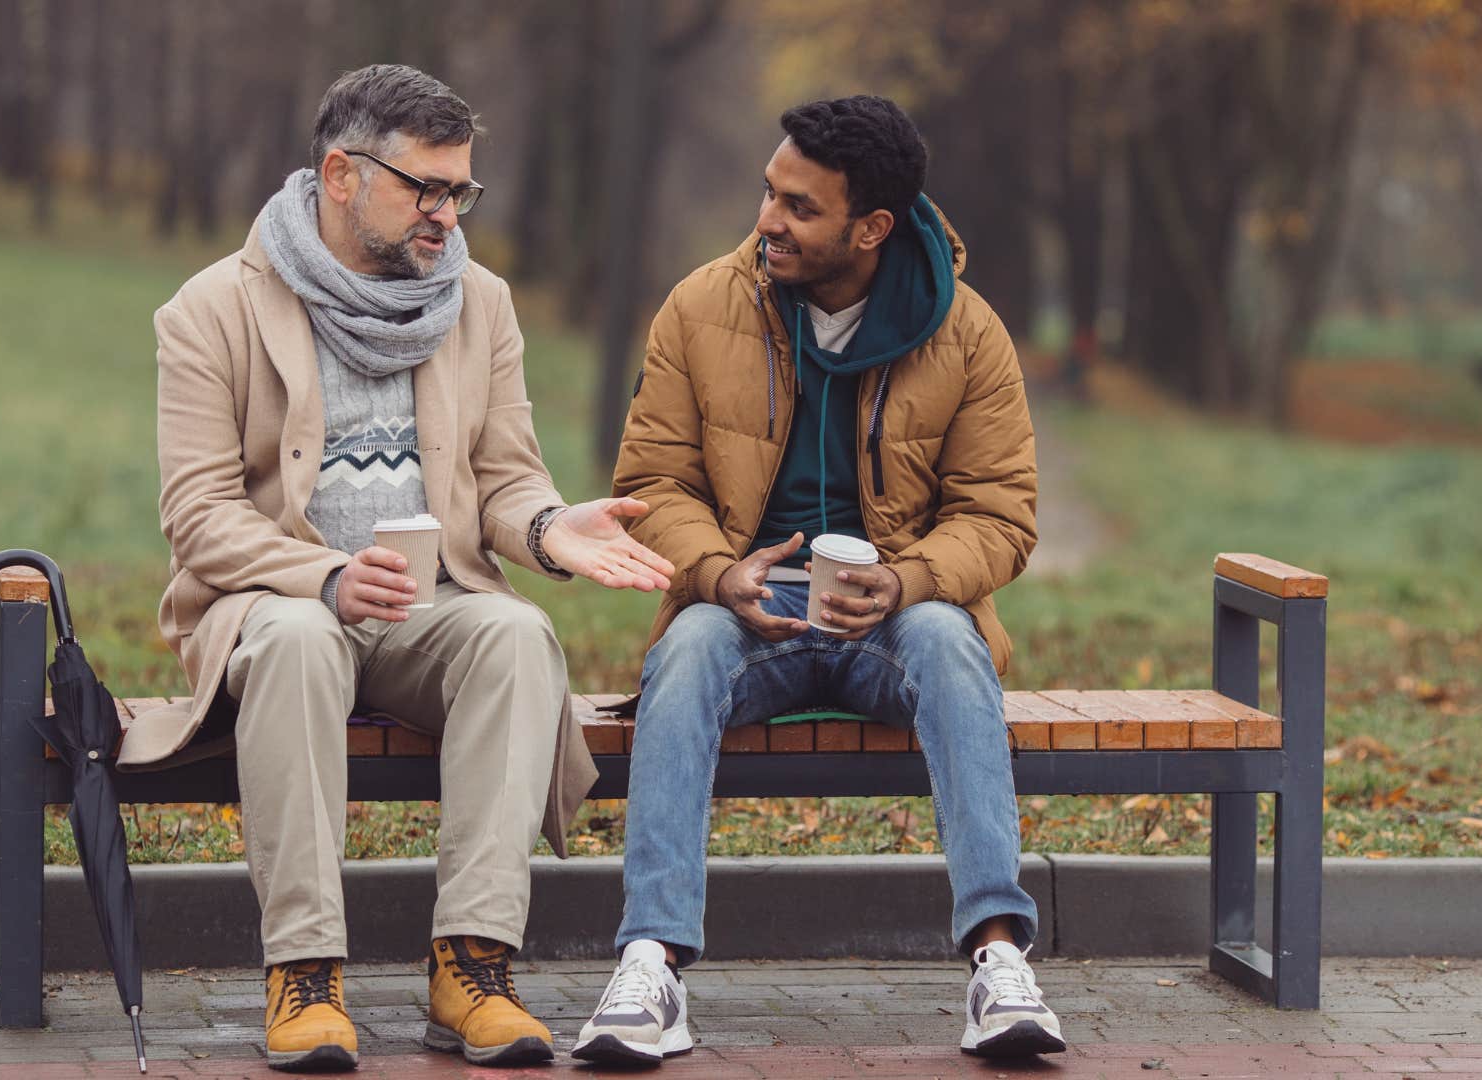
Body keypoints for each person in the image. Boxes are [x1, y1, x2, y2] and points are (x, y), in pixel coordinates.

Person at [123, 63, 673, 1072]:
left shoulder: (480, 303)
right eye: (425, 188)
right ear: (341, 174)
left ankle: (472, 966)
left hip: (432, 611)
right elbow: (198, 518)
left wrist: (551, 530)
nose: (447, 215)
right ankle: (305, 974)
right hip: (276, 609)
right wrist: (326, 578)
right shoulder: (212, 310)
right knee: (295, 642)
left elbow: (507, 481)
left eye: (460, 190)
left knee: (514, 635)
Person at [573, 95, 1061, 1065]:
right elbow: (653, 483)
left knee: (953, 643)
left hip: (894, 614)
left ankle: (1001, 964)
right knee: (689, 646)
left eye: (799, 208)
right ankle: (649, 966)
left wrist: (913, 579)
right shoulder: (702, 306)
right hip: (748, 608)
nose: (768, 221)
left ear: (871, 228)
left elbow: (1000, 513)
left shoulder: (965, 333)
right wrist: (716, 572)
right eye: (767, 193)